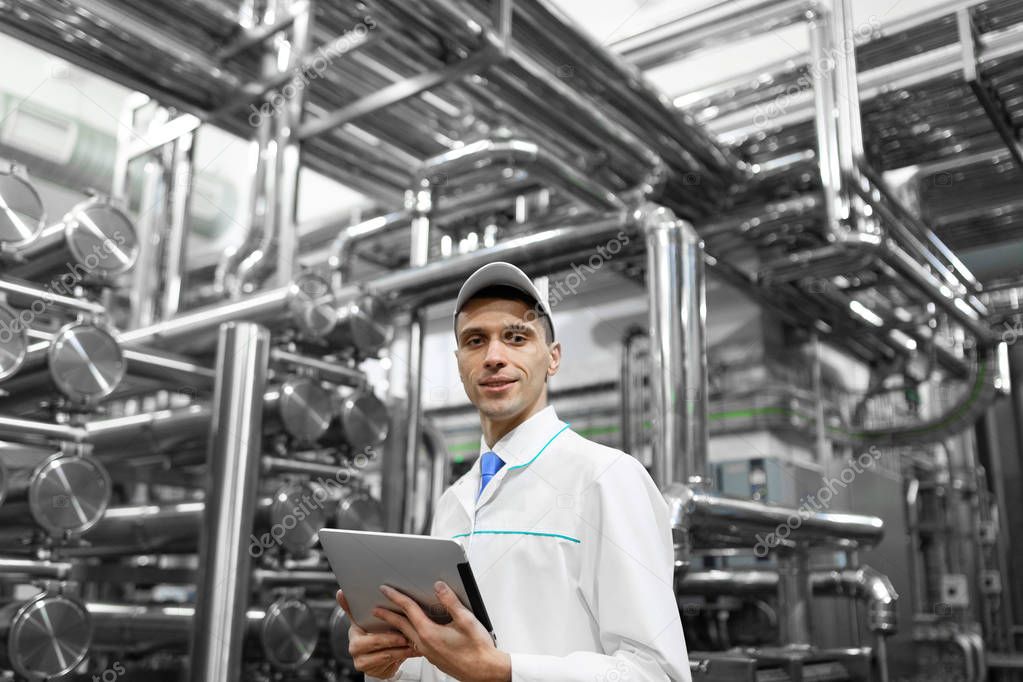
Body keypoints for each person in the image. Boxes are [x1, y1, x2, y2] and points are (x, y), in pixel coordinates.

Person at [337, 262, 690, 681]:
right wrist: (388, 665)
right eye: (475, 341)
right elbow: (444, 667)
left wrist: (503, 671)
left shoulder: (607, 477)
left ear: (552, 358)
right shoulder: (455, 501)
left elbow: (656, 673)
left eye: (516, 337)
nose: (493, 357)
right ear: (459, 362)